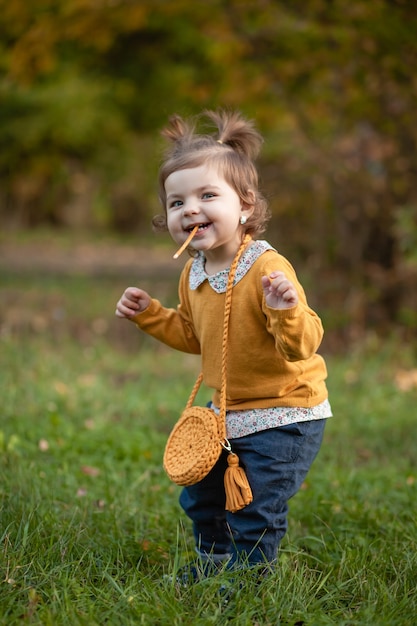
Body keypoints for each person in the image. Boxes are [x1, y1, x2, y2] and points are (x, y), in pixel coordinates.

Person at [115, 109, 332, 581]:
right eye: (177, 203)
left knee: (253, 502)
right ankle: (214, 564)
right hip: (227, 410)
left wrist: (285, 308)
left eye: (207, 196)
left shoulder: (265, 267)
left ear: (246, 206)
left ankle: (249, 579)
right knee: (204, 494)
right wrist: (150, 315)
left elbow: (303, 346)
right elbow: (194, 336)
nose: (190, 210)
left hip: (284, 412)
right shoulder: (193, 273)